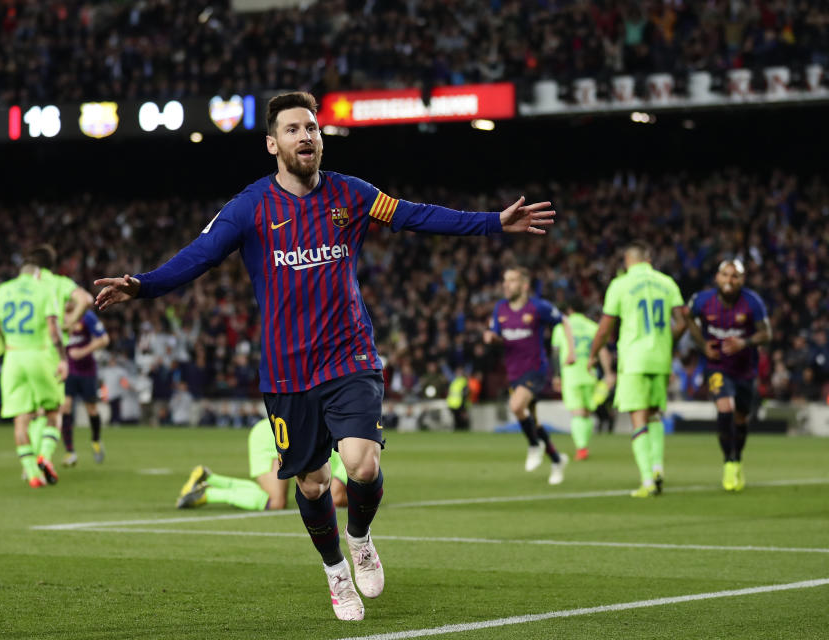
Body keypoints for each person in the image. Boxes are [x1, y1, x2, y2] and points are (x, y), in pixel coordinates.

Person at [93, 91, 555, 621]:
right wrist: (142, 286)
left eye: (311, 127)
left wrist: (494, 222)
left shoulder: (351, 194)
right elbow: (199, 257)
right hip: (288, 372)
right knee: (311, 482)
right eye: (292, 129)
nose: (306, 136)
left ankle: (359, 537)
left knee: (361, 463)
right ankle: (336, 570)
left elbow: (414, 215)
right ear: (273, 144)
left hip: (349, 356)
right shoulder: (249, 208)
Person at [588, 241, 686, 498]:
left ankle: (647, 481)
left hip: (634, 359)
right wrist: (667, 341)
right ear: (649, 259)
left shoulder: (621, 284)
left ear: (627, 261)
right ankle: (657, 468)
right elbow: (683, 321)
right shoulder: (667, 282)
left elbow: (605, 326)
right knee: (654, 415)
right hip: (661, 359)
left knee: (638, 419)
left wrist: (592, 354)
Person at [0, 256, 67, 488]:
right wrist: (63, 358)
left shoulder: (5, 289)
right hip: (37, 354)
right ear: (37, 274)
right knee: (53, 411)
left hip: (12, 357)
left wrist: (2, 319)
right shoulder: (43, 290)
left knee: (21, 418)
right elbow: (54, 330)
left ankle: (32, 474)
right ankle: (44, 457)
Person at [483, 266, 575, 485]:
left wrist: (571, 351)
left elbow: (565, 321)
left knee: (516, 406)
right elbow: (499, 336)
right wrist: (491, 338)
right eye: (505, 280)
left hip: (535, 369)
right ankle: (556, 459)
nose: (506, 285)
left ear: (524, 285)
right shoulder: (500, 308)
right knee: (533, 421)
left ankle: (534, 446)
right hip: (514, 372)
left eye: (512, 280)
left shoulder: (538, 307)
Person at [686, 259, 771, 491]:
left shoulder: (752, 302)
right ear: (717, 277)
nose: (729, 280)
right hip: (717, 366)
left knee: (741, 418)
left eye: (735, 276)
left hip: (745, 370)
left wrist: (745, 342)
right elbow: (688, 318)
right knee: (725, 408)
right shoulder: (703, 300)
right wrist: (703, 346)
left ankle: (738, 459)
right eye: (725, 275)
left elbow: (767, 334)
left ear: (742, 280)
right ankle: (728, 463)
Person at [176, 417, 349, 510]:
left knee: (272, 498)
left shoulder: (353, 450)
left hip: (280, 429)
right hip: (272, 436)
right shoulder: (352, 462)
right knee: (275, 502)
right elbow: (336, 498)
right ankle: (206, 494)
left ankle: (210, 479)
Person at [26, 245, 94, 460]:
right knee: (53, 410)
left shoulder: (25, 284)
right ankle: (44, 457)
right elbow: (86, 300)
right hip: (52, 355)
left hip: (25, 352)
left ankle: (31, 460)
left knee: (33, 411)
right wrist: (70, 322)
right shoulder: (60, 283)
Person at [551, 297, 615, 460]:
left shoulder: (562, 327)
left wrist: (556, 376)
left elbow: (556, 352)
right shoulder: (592, 327)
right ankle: (583, 446)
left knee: (577, 413)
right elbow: (602, 351)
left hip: (571, 373)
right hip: (590, 374)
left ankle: (581, 448)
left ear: (569, 309)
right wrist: (608, 373)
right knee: (586, 412)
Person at [61, 308, 111, 466]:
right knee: (65, 407)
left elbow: (104, 339)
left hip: (87, 371)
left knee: (92, 409)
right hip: (68, 370)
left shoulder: (86, 315)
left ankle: (96, 440)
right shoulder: (56, 314)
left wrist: (82, 352)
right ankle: (70, 452)